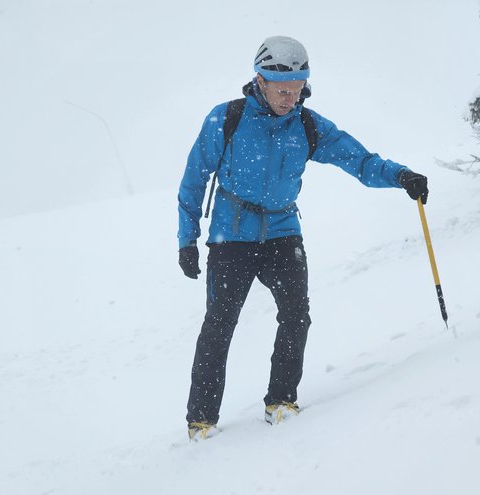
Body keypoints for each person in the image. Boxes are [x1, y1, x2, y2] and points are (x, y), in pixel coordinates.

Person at [177, 35, 429, 440]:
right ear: (259, 80)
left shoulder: (308, 125)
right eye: (282, 90)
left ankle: (281, 400)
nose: (290, 99)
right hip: (232, 235)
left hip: (281, 231)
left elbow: (359, 160)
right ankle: (201, 420)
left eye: (296, 91)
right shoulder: (226, 119)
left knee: (296, 315)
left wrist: (401, 176)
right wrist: (186, 240)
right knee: (220, 325)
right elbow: (193, 180)